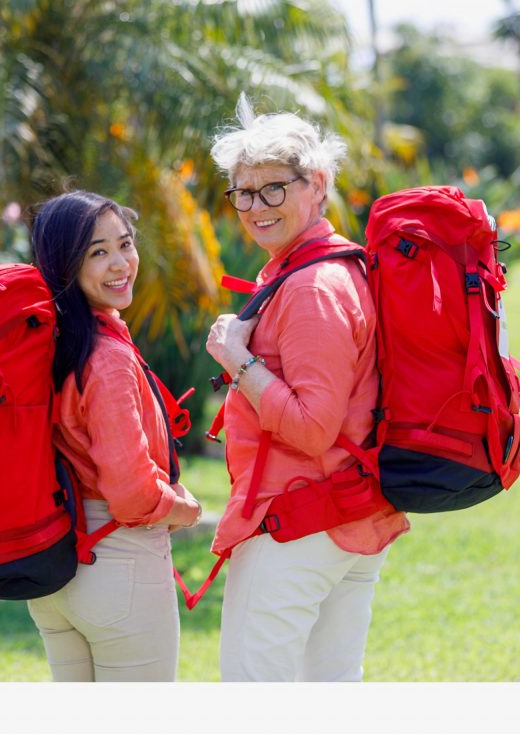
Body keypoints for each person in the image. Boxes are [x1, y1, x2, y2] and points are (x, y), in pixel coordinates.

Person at [205, 97, 409, 681]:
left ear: (316, 184)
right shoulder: (322, 270)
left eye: (274, 188)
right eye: (243, 192)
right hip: (341, 514)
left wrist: (237, 361)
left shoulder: (312, 287)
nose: (255, 207)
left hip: (296, 524)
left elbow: (314, 427)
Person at [26, 191, 203, 682]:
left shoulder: (47, 345)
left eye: (125, 244)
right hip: (119, 567)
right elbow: (130, 493)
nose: (120, 263)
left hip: (56, 573)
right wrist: (186, 509)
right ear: (65, 266)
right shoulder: (107, 359)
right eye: (97, 252)